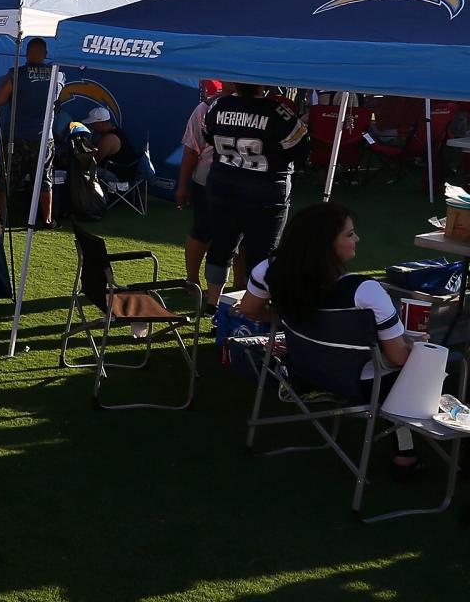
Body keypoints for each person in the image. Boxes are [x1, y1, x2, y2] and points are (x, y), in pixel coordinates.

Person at [238, 203, 420, 476]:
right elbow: (398, 358)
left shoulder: (269, 270)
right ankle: (405, 453)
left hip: (302, 370)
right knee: (420, 367)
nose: (357, 239)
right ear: (325, 244)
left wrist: (289, 314)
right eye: (349, 234)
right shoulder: (365, 291)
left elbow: (250, 309)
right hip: (358, 383)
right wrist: (416, 346)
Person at [202, 82, 309, 302]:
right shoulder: (277, 112)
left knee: (221, 246)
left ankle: (213, 303)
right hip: (265, 193)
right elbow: (301, 150)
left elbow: (208, 136)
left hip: (223, 186)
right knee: (261, 255)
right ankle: (254, 309)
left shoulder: (218, 105)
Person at [177, 81, 244, 308]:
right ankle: (192, 281)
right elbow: (191, 150)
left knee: (240, 236)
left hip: (243, 185)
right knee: (202, 231)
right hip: (206, 182)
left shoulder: (255, 108)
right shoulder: (205, 109)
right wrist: (182, 186)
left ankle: (240, 285)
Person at [0, 38, 62, 225]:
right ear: (46, 54)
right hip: (44, 138)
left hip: (17, 136)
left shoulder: (16, 74)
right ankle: (48, 220)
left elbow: (0, 99)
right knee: (44, 179)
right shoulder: (57, 75)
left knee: (6, 177)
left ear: (27, 53)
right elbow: (58, 100)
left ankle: (1, 217)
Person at [82, 107, 141, 182]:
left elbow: (93, 161)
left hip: (119, 177)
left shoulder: (109, 139)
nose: (92, 127)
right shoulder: (114, 130)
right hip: (124, 172)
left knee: (80, 169)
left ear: (101, 123)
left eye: (93, 124)